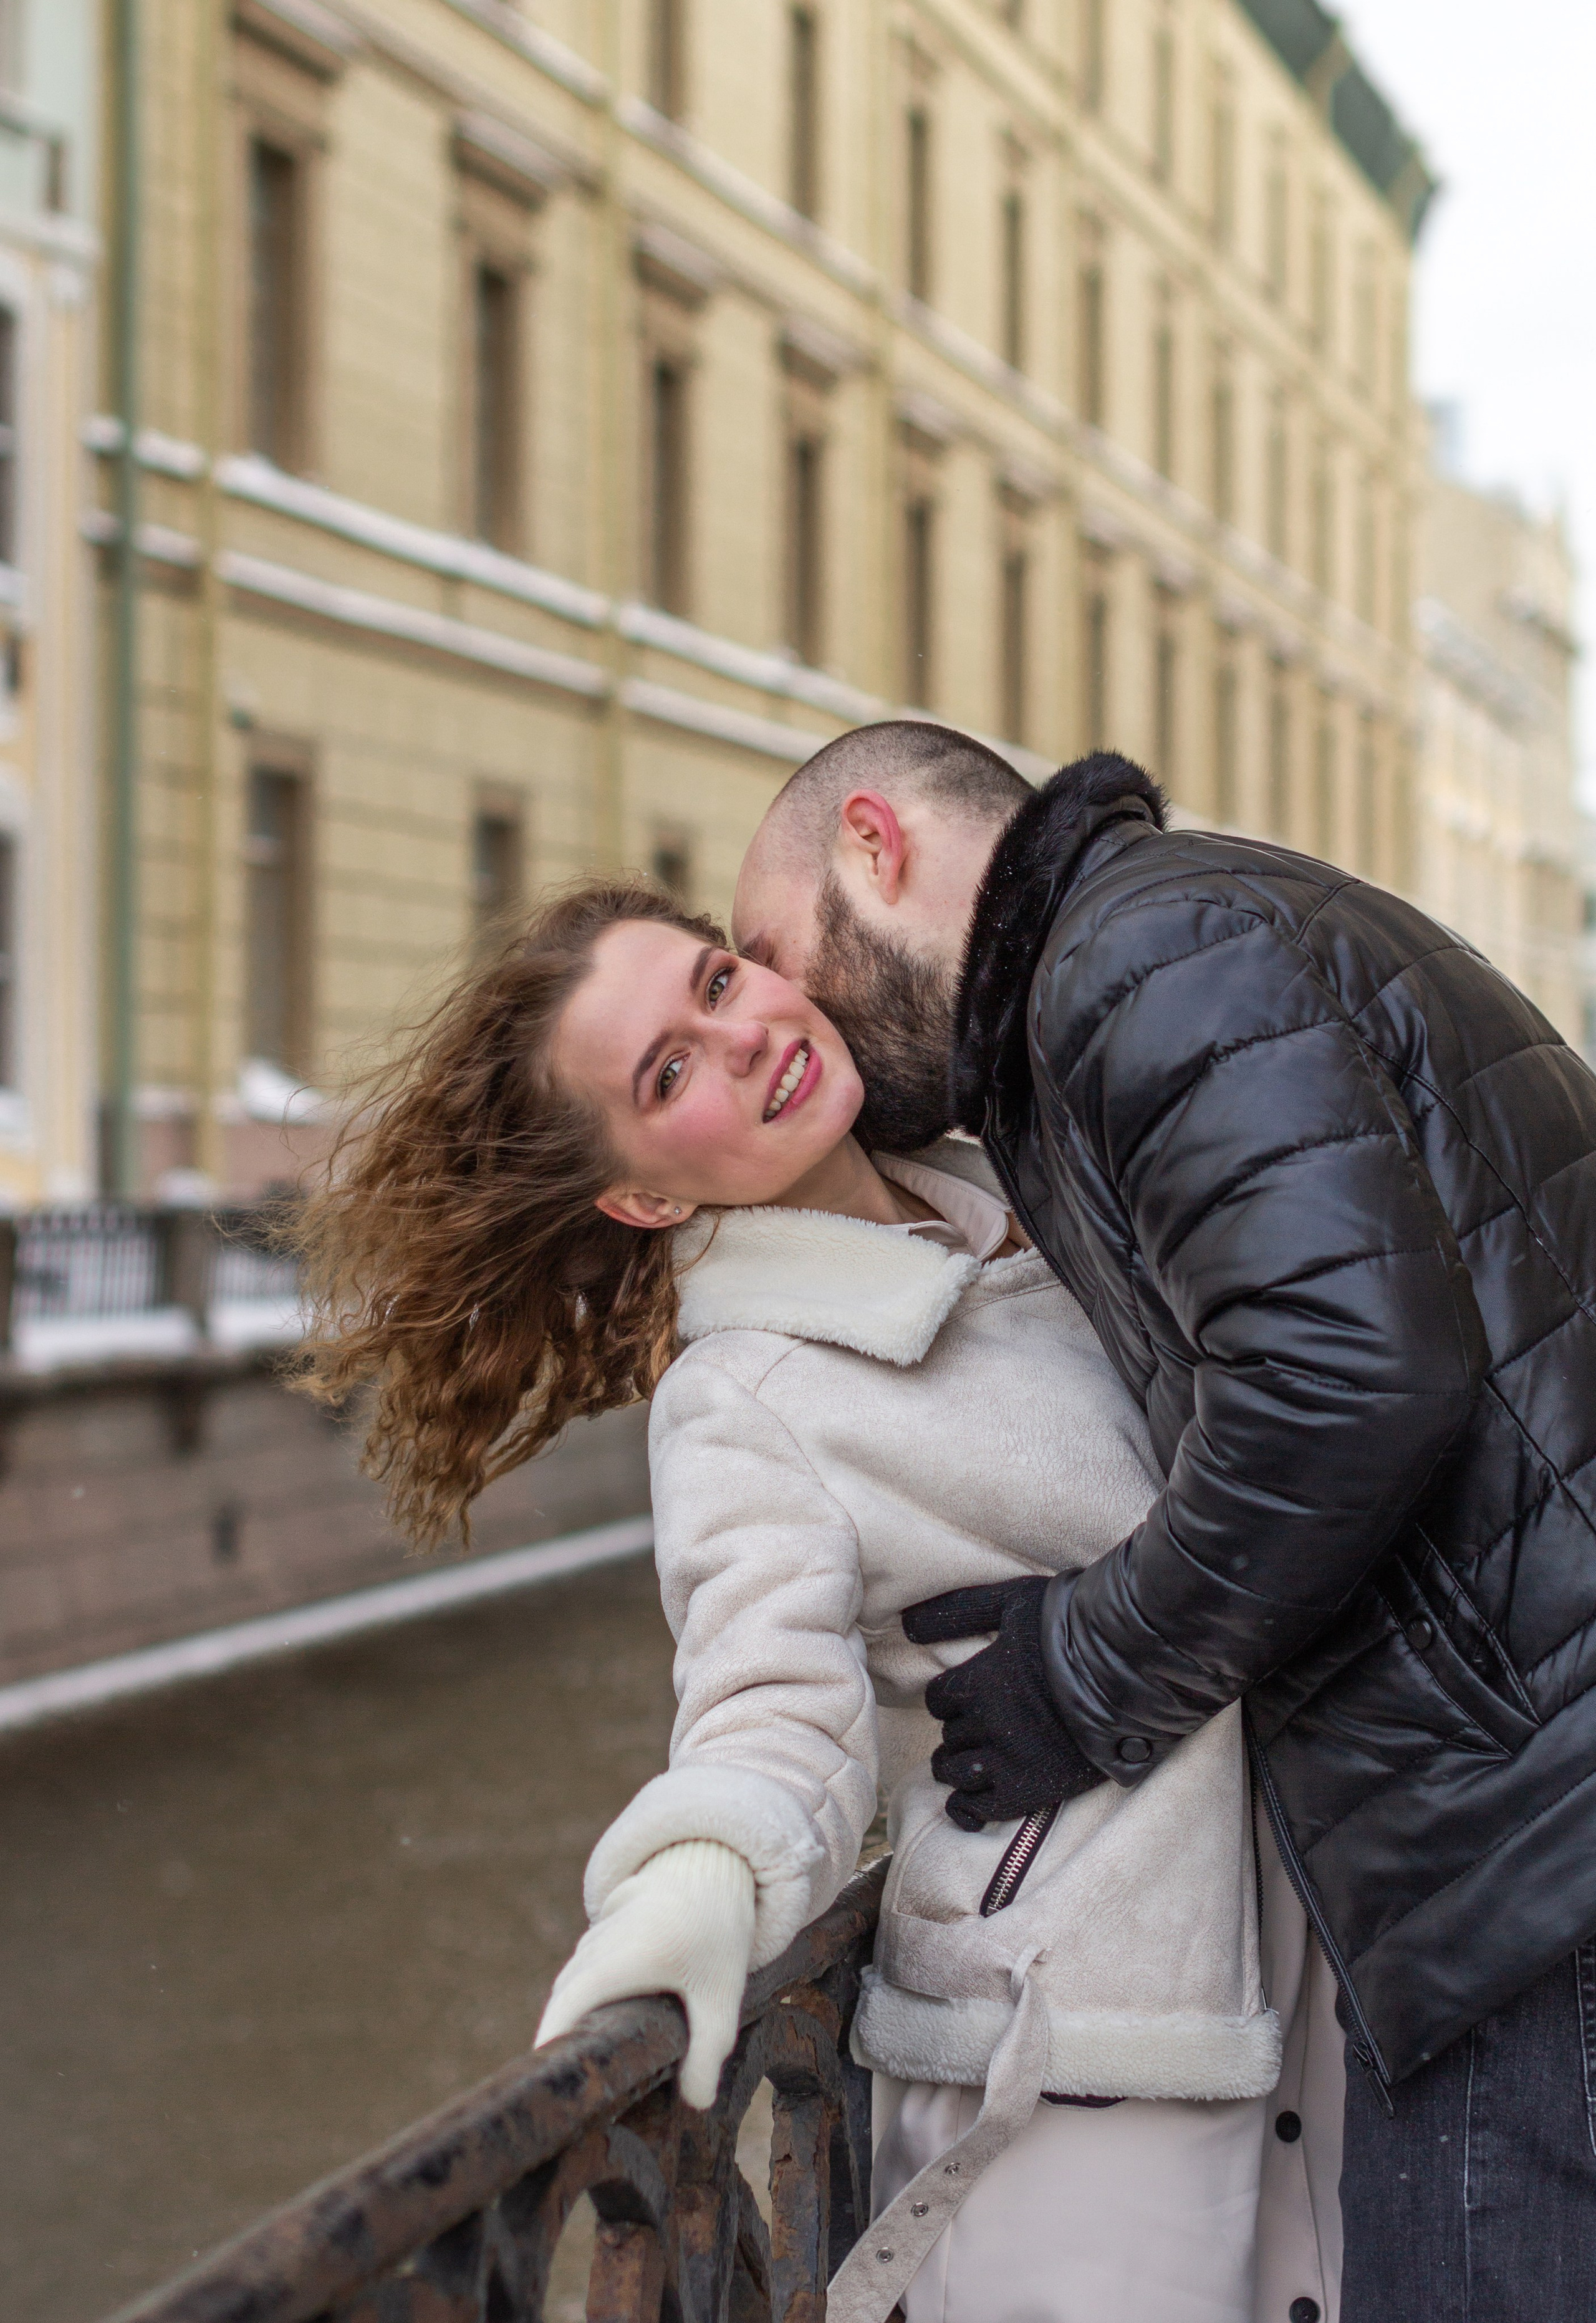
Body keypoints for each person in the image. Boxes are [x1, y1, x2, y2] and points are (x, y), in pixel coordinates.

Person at [292, 877, 1340, 2323]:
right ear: (647, 1194)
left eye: (716, 983)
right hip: (1076, 2050)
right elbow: (768, 1706)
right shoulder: (743, 1397)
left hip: (1307, 1944)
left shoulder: (1021, 1192)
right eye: (667, 1072)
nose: (741, 1038)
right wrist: (698, 1880)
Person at [731, 718, 1596, 2323]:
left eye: (771, 956)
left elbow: (1346, 1376)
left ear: (874, 843)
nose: (798, 1021)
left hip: (1528, 1838)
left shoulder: (1135, 963)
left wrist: (1083, 1677)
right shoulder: (1161, 943)